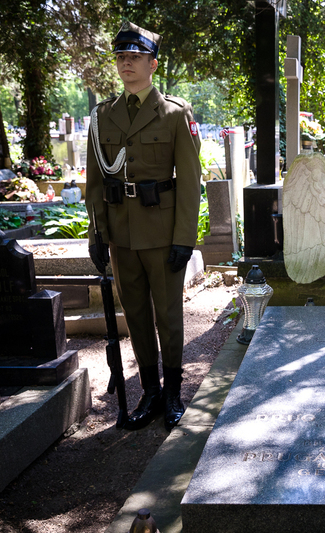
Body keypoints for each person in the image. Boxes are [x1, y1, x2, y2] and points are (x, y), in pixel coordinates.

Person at [86, 21, 201, 431]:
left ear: (153, 64)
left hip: (162, 233)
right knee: (135, 315)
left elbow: (190, 181)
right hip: (122, 234)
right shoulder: (103, 116)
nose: (126, 63)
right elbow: (95, 182)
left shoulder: (174, 113)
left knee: (168, 315)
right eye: (121, 56)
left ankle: (172, 393)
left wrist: (184, 238)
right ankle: (150, 393)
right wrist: (97, 236)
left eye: (134, 57)